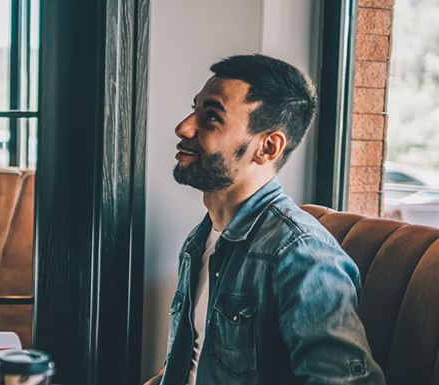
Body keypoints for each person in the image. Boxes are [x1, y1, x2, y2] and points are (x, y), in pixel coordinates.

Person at [149, 54, 382, 385]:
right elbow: (193, 367)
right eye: (194, 109)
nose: (184, 127)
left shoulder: (302, 255)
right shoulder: (199, 241)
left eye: (211, 117)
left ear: (268, 147)